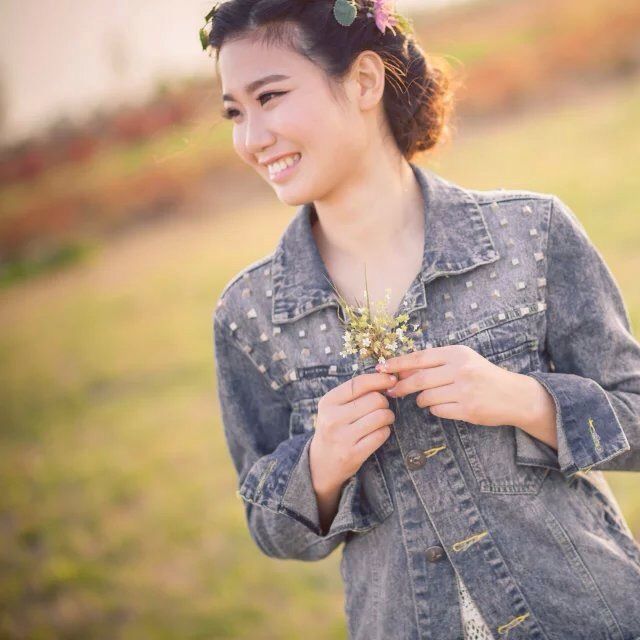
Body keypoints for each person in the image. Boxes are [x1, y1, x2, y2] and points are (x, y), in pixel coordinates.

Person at [205, 1, 640, 638]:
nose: (251, 138)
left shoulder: (531, 232)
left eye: (269, 97)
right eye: (235, 113)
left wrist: (526, 400)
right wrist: (321, 466)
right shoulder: (248, 316)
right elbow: (270, 528)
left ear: (363, 81)